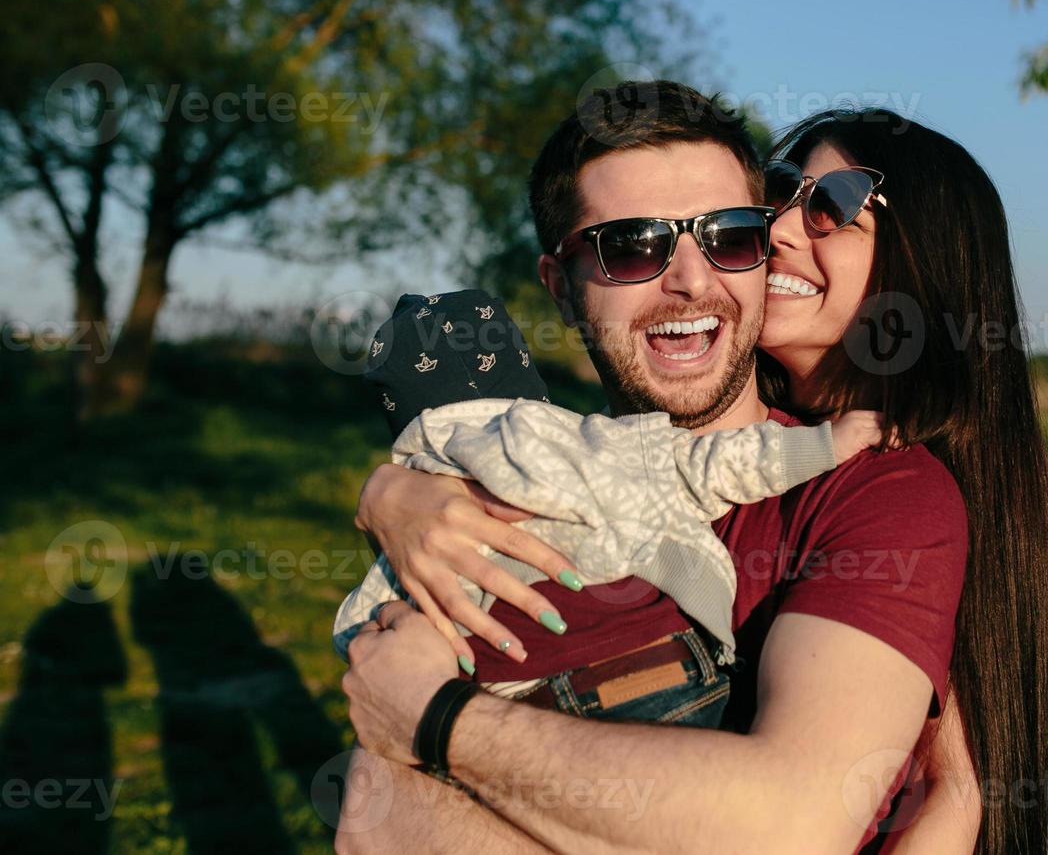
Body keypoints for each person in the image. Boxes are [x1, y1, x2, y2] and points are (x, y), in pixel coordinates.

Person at [342, 83, 1048, 853]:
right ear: (559, 286)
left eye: (730, 235)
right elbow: (373, 819)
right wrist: (394, 491)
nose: (692, 277)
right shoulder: (478, 501)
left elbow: (789, 824)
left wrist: (437, 717)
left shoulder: (878, 492)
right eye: (631, 245)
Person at [335, 288, 890, 727]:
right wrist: (826, 443)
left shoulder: (417, 522)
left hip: (511, 709)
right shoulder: (577, 441)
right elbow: (707, 465)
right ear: (522, 372)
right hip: (652, 670)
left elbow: (367, 628)